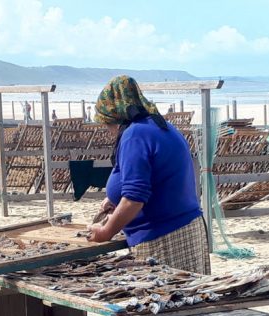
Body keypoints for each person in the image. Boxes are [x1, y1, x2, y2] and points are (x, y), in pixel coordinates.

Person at [86, 75, 210, 274]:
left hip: (164, 240)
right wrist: (114, 197)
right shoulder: (161, 126)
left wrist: (105, 231)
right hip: (186, 230)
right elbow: (157, 179)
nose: (108, 130)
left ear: (116, 118)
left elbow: (134, 199)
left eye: (106, 124)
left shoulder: (134, 135)